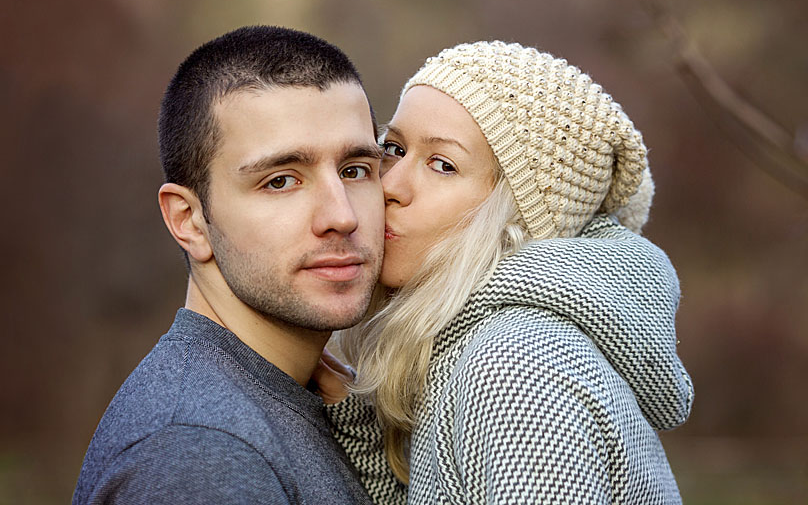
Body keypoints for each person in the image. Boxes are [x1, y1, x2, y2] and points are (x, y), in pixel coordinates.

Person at [323, 41, 695, 504]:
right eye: (394, 148)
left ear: (515, 218)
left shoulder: (517, 369)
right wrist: (363, 430)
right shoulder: (474, 344)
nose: (390, 185)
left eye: (443, 164)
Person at [73, 26, 383, 504]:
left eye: (355, 170)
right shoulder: (197, 452)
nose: (341, 216)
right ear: (190, 221)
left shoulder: (304, 402)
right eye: (281, 181)